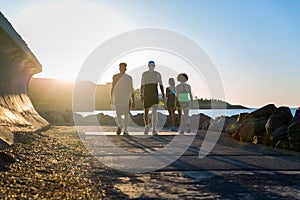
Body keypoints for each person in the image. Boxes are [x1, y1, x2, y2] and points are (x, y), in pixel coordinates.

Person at [140, 61, 165, 135]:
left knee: (154, 112)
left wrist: (163, 95)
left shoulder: (157, 74)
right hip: (147, 94)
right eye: (150, 65)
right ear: (148, 66)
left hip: (154, 94)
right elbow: (142, 84)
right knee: (146, 111)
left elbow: (161, 84)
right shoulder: (145, 74)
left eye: (152, 65)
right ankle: (147, 127)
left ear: (154, 66)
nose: (151, 67)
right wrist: (141, 95)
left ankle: (154, 129)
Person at [111, 62, 135, 136]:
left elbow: (131, 89)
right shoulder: (115, 77)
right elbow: (113, 87)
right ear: (120, 68)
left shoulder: (129, 78)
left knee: (125, 114)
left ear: (125, 68)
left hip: (125, 98)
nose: (122, 69)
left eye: (123, 68)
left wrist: (133, 100)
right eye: (121, 67)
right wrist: (111, 98)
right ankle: (121, 126)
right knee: (121, 113)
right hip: (120, 97)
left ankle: (124, 128)